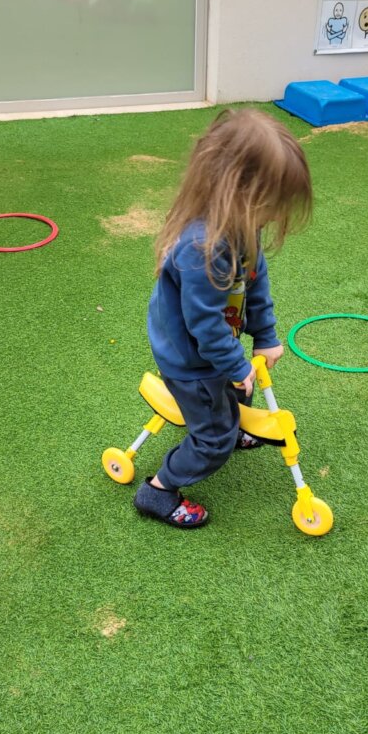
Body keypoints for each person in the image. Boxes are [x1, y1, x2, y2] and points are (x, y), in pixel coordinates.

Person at [132, 108, 313, 529]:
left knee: (235, 392)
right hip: (191, 361)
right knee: (212, 437)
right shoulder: (200, 248)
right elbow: (205, 327)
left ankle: (228, 423)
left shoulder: (242, 229)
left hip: (213, 348)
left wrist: (265, 336)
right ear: (238, 191)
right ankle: (157, 491)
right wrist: (234, 364)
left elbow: (255, 284)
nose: (274, 215)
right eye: (272, 203)